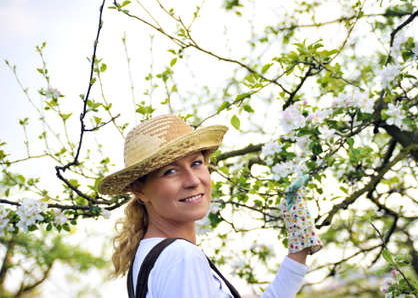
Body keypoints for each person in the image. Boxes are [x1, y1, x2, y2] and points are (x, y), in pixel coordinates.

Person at [98, 114, 322, 298]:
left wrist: (298, 251)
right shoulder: (181, 258)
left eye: (196, 163)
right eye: (170, 171)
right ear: (139, 190)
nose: (193, 180)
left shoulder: (151, 256)